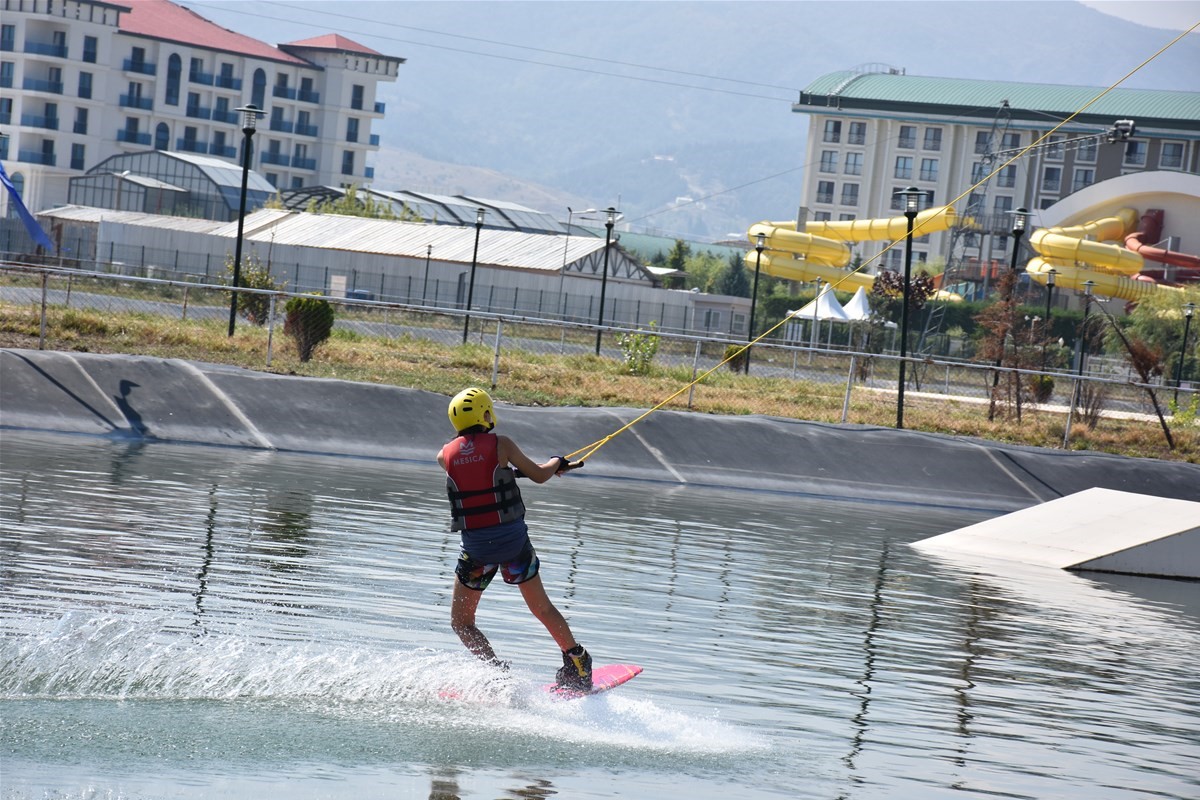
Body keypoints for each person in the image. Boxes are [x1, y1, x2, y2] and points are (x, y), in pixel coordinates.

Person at [436, 387, 593, 691]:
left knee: (462, 622)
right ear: (486, 414)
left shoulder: (444, 456)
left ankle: (498, 673)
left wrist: (509, 472)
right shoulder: (502, 444)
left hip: (477, 553)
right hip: (514, 545)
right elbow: (538, 474)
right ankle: (578, 662)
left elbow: (479, 475)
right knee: (542, 608)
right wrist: (555, 461)